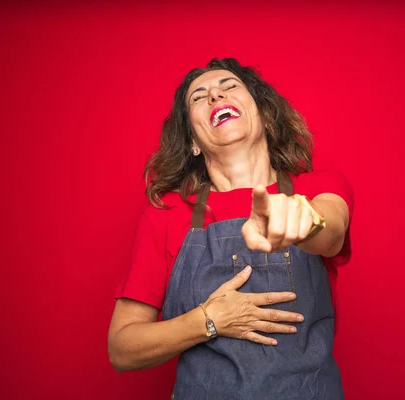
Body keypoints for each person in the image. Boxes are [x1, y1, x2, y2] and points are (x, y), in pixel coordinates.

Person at [108, 58, 354, 399]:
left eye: (229, 87)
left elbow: (333, 231)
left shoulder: (317, 189)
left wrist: (306, 220)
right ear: (193, 140)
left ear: (265, 117)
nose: (215, 96)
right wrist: (209, 320)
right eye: (199, 96)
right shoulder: (166, 215)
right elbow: (122, 349)